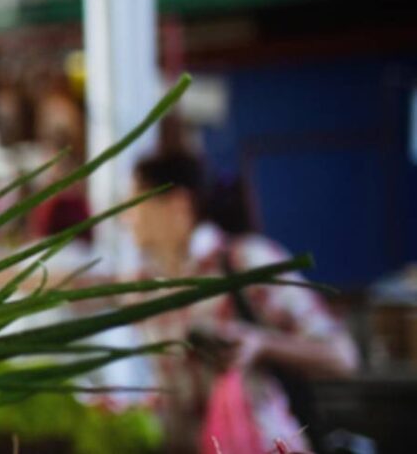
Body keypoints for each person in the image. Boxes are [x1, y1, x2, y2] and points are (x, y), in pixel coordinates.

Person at [126, 151, 358, 453]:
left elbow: (342, 357)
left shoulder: (246, 262)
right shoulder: (146, 284)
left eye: (134, 204)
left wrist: (261, 344)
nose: (127, 218)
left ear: (178, 204)